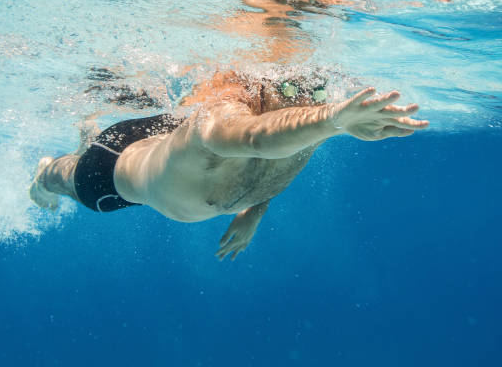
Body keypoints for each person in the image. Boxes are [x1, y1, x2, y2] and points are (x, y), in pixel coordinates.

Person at [30, 71, 428, 260]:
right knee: (67, 177)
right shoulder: (220, 121)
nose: (307, 99)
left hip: (167, 134)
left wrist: (254, 208)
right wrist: (333, 118)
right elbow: (257, 139)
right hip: (112, 171)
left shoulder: (301, 126)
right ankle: (48, 171)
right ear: (269, 85)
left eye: (318, 92)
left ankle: (87, 133)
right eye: (295, 90)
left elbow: (273, 162)